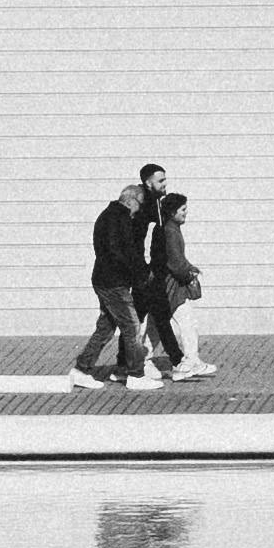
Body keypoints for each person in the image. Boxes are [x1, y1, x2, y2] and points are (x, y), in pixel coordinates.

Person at [79, 162, 167, 385]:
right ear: (132, 200)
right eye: (139, 205)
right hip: (112, 283)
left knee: (106, 328)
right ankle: (135, 374)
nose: (140, 212)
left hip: (108, 280)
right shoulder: (118, 219)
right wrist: (139, 273)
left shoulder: (113, 216)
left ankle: (81, 369)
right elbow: (121, 253)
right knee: (132, 326)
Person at [136, 176, 209, 382]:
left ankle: (145, 359)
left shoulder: (167, 229)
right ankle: (189, 360)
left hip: (162, 285)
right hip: (172, 286)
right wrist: (190, 272)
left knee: (155, 325)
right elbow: (176, 262)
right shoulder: (171, 232)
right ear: (172, 212)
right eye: (183, 210)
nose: (186, 214)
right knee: (186, 322)